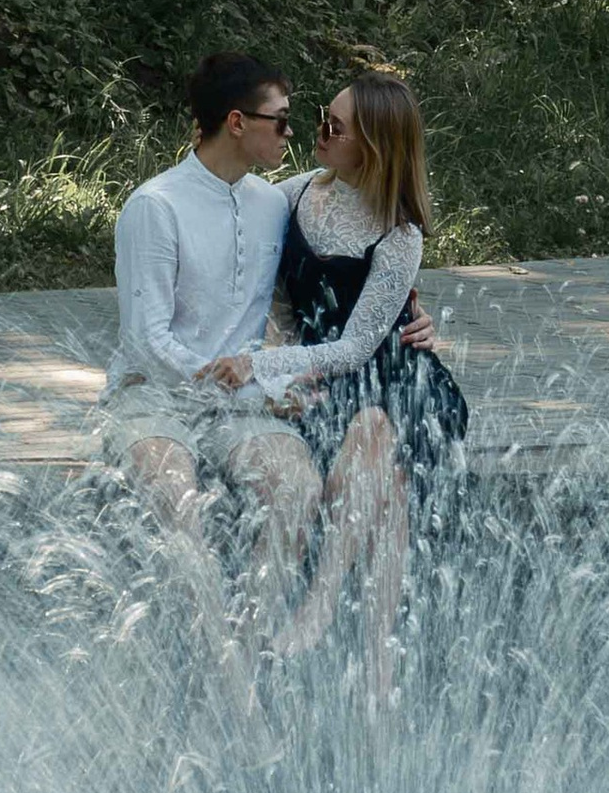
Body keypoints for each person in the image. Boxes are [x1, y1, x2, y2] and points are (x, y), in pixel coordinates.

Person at [204, 68, 467, 700]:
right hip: (316, 373)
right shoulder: (292, 195)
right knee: (388, 497)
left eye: (334, 126)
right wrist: (275, 363)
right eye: (322, 116)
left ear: (371, 147)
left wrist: (267, 367)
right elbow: (273, 303)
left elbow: (356, 346)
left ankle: (320, 605)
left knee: (374, 426)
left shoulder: (398, 232)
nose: (318, 131)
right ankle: (378, 687)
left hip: (389, 373)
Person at [103, 51, 323, 619]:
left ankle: (252, 640)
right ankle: (226, 674)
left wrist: (406, 311)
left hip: (243, 403)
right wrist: (249, 388)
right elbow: (148, 340)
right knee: (176, 503)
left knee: (296, 491)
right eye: (280, 119)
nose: (289, 131)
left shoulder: (275, 202)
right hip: (155, 396)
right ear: (236, 121)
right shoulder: (155, 206)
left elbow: (358, 206)